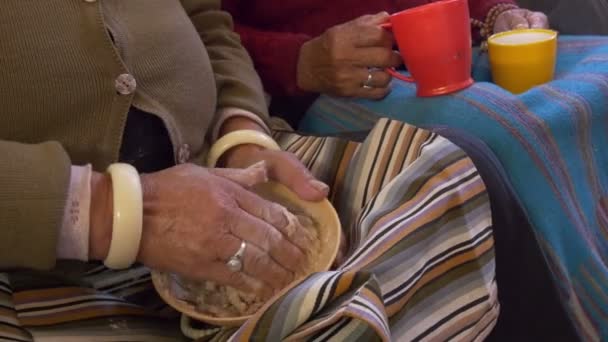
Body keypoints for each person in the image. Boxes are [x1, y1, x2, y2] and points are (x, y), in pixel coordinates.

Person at [0, 0, 496, 340]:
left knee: (441, 175)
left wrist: (242, 134)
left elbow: (208, 22)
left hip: (216, 154)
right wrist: (116, 212)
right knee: (333, 315)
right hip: (38, 251)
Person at [222, 0, 550, 124]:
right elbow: (206, 30)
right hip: (329, 87)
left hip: (455, 48)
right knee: (504, 123)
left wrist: (496, 13)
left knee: (598, 75)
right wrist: (299, 61)